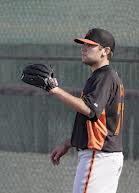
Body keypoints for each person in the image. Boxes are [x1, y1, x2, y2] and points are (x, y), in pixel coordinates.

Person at [49, 28, 124, 193]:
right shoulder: (103, 76)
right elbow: (96, 121)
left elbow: (90, 110)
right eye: (83, 44)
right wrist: (69, 143)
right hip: (105, 155)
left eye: (90, 45)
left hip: (98, 156)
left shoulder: (104, 76)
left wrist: (55, 90)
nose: (84, 48)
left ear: (105, 51)